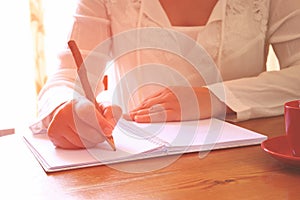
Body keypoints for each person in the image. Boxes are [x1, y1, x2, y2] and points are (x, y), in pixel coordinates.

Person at [30, 0, 300, 149]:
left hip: (246, 169)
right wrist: (62, 107)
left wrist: (217, 98)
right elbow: (67, 74)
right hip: (134, 170)